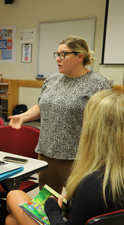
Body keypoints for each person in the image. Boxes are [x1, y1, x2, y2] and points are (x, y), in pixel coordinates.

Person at [5, 90, 124, 225]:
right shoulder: (112, 177)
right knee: (12, 223)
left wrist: (52, 209)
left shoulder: (93, 183)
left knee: (13, 197)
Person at [8, 36, 111, 194]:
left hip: (77, 157)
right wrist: (23, 116)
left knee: (76, 203)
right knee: (46, 200)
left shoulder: (98, 83)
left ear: (79, 57)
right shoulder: (52, 80)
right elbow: (41, 105)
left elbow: (105, 121)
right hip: (46, 152)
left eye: (63, 54)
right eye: (57, 54)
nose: (58, 58)